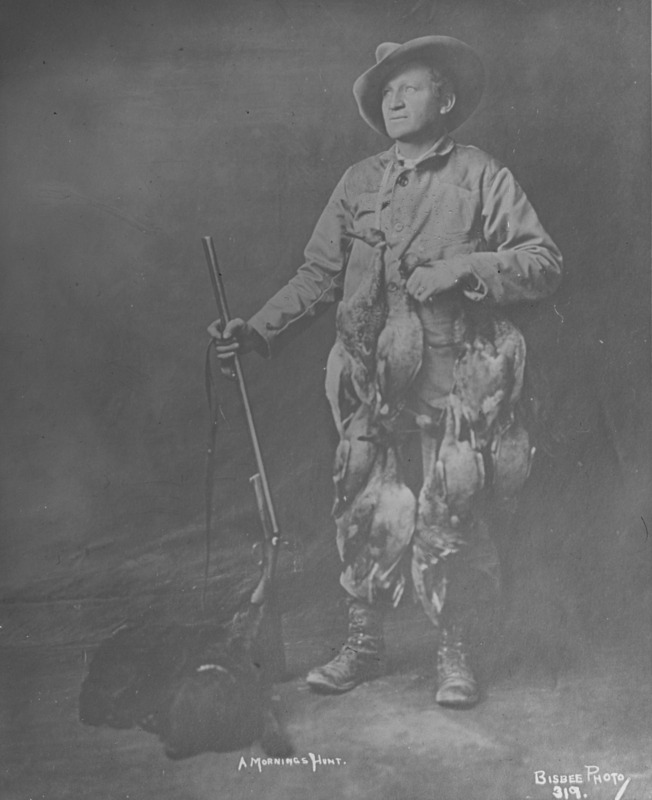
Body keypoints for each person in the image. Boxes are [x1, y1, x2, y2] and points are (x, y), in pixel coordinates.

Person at [208, 36, 562, 707]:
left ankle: (456, 651)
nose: (394, 100)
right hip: (371, 377)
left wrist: (462, 269)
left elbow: (542, 262)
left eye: (411, 87)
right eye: (386, 92)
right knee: (362, 501)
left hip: (455, 379)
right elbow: (319, 274)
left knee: (454, 507)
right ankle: (364, 644)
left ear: (445, 99)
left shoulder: (480, 174)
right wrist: (256, 329)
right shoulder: (358, 182)